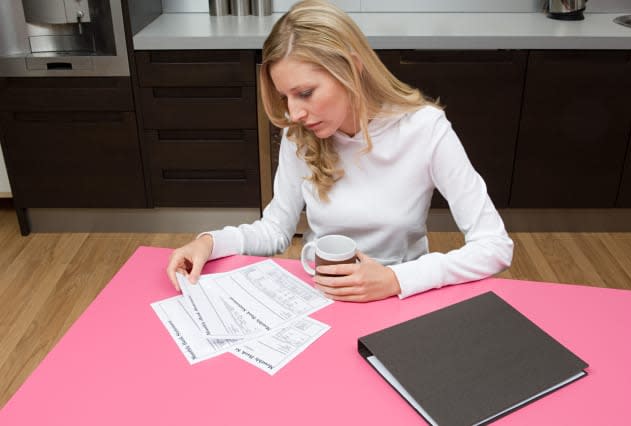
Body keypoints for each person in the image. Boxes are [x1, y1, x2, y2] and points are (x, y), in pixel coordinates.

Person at [166, 0, 513, 302]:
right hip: (319, 298)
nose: (295, 113)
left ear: (351, 67)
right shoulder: (301, 134)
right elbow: (275, 230)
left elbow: (495, 246)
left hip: (401, 298)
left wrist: (397, 280)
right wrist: (209, 243)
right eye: (285, 96)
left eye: (305, 93)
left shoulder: (426, 130)